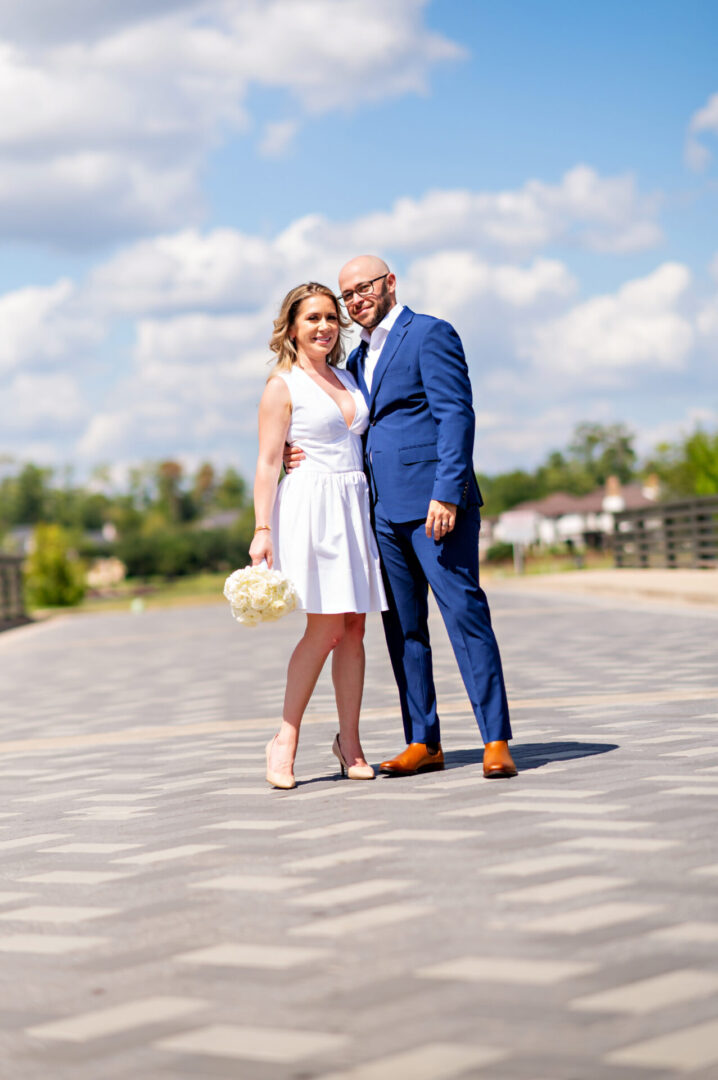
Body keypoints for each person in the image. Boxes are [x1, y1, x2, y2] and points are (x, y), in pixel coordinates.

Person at [286, 257, 516, 779]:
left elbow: (456, 414)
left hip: (436, 508)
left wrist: (448, 493)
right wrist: (288, 449)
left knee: (465, 616)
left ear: (390, 283)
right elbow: (340, 425)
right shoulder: (354, 358)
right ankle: (423, 740)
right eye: (347, 295)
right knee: (403, 629)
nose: (356, 300)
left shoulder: (430, 334)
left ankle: (496, 739)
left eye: (363, 287)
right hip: (379, 515)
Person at [249, 282, 387, 789]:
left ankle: (350, 743)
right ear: (291, 328)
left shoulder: (349, 377)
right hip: (313, 507)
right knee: (325, 629)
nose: (325, 326)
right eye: (312, 318)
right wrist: (262, 528)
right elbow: (268, 462)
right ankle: (284, 739)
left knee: (354, 628)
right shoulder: (282, 385)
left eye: (331, 317)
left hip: (355, 506)